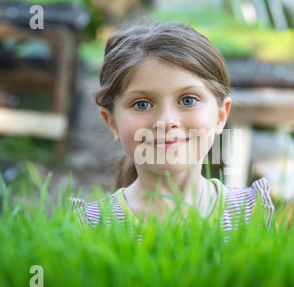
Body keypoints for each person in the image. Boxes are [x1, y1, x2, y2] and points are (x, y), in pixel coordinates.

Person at [70, 21, 274, 231]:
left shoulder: (252, 213)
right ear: (112, 123)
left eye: (188, 100)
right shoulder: (91, 226)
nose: (166, 121)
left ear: (220, 116)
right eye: (142, 104)